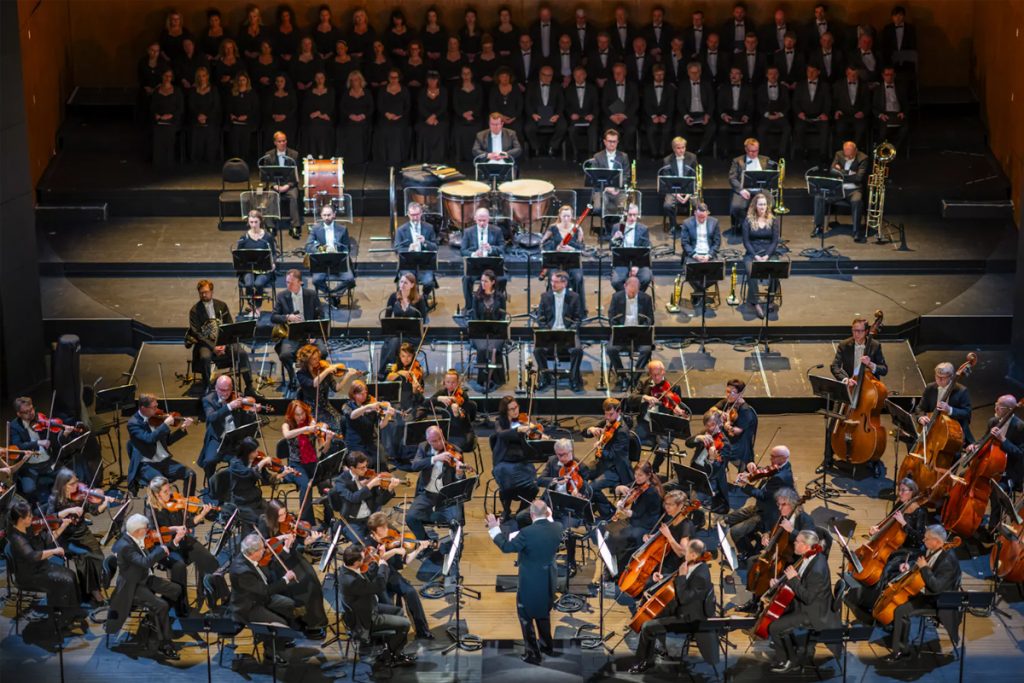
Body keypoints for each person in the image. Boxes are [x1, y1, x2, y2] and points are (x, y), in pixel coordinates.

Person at [486, 500, 563, 665]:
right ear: (548, 513)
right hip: (549, 579)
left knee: (526, 617)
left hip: (530, 580)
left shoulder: (527, 533)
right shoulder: (558, 527)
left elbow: (507, 547)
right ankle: (546, 646)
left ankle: (533, 654)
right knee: (543, 614)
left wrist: (494, 528)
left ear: (532, 515)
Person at [629, 539, 718, 674]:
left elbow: (683, 599)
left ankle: (645, 661)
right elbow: (677, 582)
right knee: (651, 612)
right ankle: (657, 649)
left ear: (694, 554)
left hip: (688, 619)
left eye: (687, 551)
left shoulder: (701, 575)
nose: (684, 553)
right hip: (684, 608)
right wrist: (662, 578)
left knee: (647, 626)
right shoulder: (695, 564)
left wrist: (682, 577)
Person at [105, 514, 181, 660]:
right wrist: (162, 549)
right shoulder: (126, 546)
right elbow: (145, 562)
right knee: (162, 606)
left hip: (144, 578)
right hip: (132, 586)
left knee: (175, 590)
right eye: (146, 529)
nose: (148, 532)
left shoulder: (134, 538)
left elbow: (150, 556)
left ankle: (155, 618)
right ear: (138, 531)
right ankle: (164, 644)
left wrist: (174, 542)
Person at [885, 524, 961, 662]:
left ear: (937, 541)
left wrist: (924, 568)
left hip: (937, 600)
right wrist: (910, 567)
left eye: (926, 539)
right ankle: (897, 633)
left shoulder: (948, 562)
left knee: (901, 610)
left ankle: (902, 652)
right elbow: (922, 562)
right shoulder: (933, 549)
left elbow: (936, 587)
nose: (923, 541)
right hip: (925, 590)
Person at [823, 315, 889, 472]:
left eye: (860, 331)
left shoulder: (874, 346)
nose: (856, 334)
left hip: (867, 391)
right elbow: (835, 367)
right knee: (834, 424)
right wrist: (846, 380)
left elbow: (884, 369)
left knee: (870, 422)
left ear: (867, 331)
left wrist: (871, 364)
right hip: (849, 389)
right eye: (854, 331)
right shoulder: (844, 345)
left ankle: (872, 459)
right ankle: (827, 460)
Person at [144, 476, 217, 614]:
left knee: (208, 558)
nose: (169, 494)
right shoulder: (151, 509)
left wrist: (203, 513)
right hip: (166, 546)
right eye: (165, 492)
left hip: (182, 539)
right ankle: (181, 607)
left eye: (169, 489)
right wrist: (175, 531)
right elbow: (154, 534)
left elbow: (188, 523)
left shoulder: (175, 502)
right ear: (156, 494)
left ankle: (212, 593)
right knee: (179, 567)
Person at [258, 499, 328, 638]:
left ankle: (315, 622)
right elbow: (264, 546)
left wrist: (308, 541)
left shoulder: (290, 522)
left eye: (285, 513)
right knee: (300, 586)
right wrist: (284, 541)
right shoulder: (264, 522)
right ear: (272, 516)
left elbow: (301, 543)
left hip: (291, 555)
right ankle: (300, 621)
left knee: (312, 581)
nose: (284, 518)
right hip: (276, 562)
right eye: (280, 516)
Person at [5, 496, 80, 625]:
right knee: (65, 580)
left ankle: (67, 611)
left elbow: (48, 540)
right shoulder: (17, 538)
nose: (32, 518)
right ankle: (59, 618)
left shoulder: (29, 528)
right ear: (20, 520)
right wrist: (54, 551)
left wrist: (63, 526)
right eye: (29, 516)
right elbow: (32, 556)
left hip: (40, 566)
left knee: (71, 575)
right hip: (29, 574)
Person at [766, 530, 834, 673]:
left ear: (806, 545)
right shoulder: (809, 556)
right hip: (806, 604)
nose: (794, 543)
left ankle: (789, 661)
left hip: (813, 613)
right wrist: (779, 583)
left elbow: (808, 597)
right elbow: (800, 582)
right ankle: (790, 653)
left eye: (797, 541)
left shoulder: (817, 568)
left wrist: (793, 579)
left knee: (774, 627)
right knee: (776, 615)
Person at [229, 533, 301, 665]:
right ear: (254, 553)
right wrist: (285, 580)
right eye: (262, 548)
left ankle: (281, 639)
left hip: (258, 597)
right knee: (280, 624)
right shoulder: (242, 571)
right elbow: (265, 591)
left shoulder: (248, 557)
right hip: (248, 607)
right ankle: (270, 653)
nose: (265, 550)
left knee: (289, 604)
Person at [339, 544, 416, 666]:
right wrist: (383, 565)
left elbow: (368, 576)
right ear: (355, 562)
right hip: (366, 619)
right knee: (405, 624)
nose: (366, 560)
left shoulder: (347, 569)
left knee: (398, 611)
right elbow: (379, 586)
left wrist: (377, 559)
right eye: (363, 559)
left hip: (368, 607)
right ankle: (390, 656)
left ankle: (390, 648)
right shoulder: (351, 581)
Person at [45, 468, 114, 604]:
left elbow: (95, 511)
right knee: (85, 556)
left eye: (76, 482)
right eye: (72, 483)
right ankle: (93, 592)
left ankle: (94, 586)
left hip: (82, 532)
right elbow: (50, 520)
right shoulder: (55, 500)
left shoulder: (79, 495)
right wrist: (69, 510)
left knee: (98, 555)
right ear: (63, 485)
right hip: (66, 537)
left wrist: (105, 502)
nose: (76, 486)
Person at [366, 511, 434, 639]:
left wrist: (419, 549)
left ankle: (422, 630)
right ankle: (393, 637)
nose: (387, 531)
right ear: (374, 532)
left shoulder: (392, 535)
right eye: (383, 529)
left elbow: (406, 560)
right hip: (376, 580)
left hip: (391, 574)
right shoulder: (368, 544)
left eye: (386, 527)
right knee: (387, 603)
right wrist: (395, 551)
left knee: (411, 592)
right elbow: (378, 558)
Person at [186, 279, 259, 396]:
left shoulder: (221, 305)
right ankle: (207, 387)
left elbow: (229, 325)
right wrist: (213, 347)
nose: (204, 295)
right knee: (205, 357)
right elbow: (197, 333)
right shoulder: (194, 310)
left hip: (225, 340)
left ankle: (249, 387)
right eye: (201, 293)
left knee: (242, 354)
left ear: (211, 291)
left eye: (206, 292)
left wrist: (224, 344)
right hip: (206, 343)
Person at [727, 451, 798, 558]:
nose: (770, 459)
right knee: (730, 518)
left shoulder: (781, 477)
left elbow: (763, 496)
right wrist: (753, 468)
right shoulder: (780, 466)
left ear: (782, 458)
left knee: (735, 531)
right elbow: (765, 472)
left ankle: (748, 554)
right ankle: (749, 537)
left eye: (773, 457)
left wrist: (745, 485)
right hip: (760, 507)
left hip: (767, 514)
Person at [281, 399, 339, 525]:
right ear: (291, 415)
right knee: (306, 486)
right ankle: (308, 522)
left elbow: (323, 449)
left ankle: (329, 519)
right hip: (296, 465)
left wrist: (327, 439)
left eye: (302, 413)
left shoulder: (312, 422)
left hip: (313, 463)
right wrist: (305, 428)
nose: (301, 417)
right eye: (297, 414)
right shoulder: (287, 425)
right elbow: (287, 435)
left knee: (326, 484)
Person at [405, 425, 468, 540]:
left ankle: (454, 548)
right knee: (410, 518)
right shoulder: (423, 447)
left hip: (447, 496)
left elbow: (461, 481)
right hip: (427, 493)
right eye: (434, 441)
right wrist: (435, 458)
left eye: (441, 438)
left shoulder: (455, 451)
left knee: (457, 521)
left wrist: (459, 474)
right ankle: (425, 543)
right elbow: (415, 466)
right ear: (428, 441)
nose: (439, 443)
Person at [9, 396, 75, 507]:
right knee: (29, 489)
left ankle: (64, 505)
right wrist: (37, 443)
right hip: (29, 466)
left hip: (48, 462)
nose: (30, 414)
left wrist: (64, 434)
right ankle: (39, 511)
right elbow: (17, 446)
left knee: (69, 476)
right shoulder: (14, 426)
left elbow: (55, 441)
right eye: (26, 412)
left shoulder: (41, 419)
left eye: (31, 409)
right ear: (19, 414)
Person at [198, 375, 262, 485]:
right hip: (217, 438)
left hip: (235, 439)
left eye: (228, 390)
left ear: (232, 388)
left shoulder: (238, 397)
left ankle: (238, 487)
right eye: (222, 390)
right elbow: (211, 417)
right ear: (216, 388)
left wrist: (252, 412)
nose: (225, 393)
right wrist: (228, 407)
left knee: (242, 460)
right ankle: (212, 486)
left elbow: (245, 420)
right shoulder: (208, 400)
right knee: (209, 461)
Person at [127, 393, 196, 494]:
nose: (157, 410)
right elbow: (149, 439)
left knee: (190, 474)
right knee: (162, 485)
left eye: (157, 406)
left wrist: (182, 428)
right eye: (153, 407)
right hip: (146, 464)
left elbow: (168, 441)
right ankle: (160, 508)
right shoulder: (134, 424)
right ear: (143, 408)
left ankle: (188, 505)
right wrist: (165, 425)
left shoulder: (156, 419)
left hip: (163, 461)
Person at [271, 268, 328, 388]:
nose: (288, 285)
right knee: (285, 355)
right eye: (287, 282)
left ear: (300, 282)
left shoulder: (311, 294)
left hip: (310, 334)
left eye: (290, 282)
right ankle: (295, 375)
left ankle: (314, 375)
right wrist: (287, 317)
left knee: (322, 351)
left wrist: (314, 336)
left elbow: (321, 316)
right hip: (292, 335)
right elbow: (273, 317)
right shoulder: (282, 296)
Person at [978, 395, 1024, 541]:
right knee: (972, 479)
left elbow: (1020, 454)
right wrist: (976, 445)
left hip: (1010, 471)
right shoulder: (993, 421)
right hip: (992, 465)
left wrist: (1003, 440)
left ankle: (993, 529)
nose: (996, 408)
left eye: (1000, 406)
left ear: (1010, 410)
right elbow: (984, 440)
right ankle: (974, 519)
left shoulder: (1020, 427)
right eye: (996, 404)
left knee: (997, 493)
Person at [605, 462, 665, 570]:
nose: (637, 477)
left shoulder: (651, 492)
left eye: (640, 475)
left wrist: (627, 512)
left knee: (618, 536)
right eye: (635, 474)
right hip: (635, 519)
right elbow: (624, 488)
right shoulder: (638, 484)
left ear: (648, 475)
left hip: (646, 525)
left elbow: (639, 514)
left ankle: (620, 566)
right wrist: (619, 488)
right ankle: (611, 561)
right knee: (609, 530)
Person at [490, 396, 541, 521]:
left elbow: (535, 433)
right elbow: (501, 434)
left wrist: (535, 431)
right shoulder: (499, 422)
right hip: (504, 462)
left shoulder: (524, 420)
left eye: (516, 407)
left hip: (522, 461)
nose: (515, 411)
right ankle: (506, 510)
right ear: (505, 411)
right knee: (506, 485)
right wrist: (517, 430)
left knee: (534, 486)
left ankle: (522, 510)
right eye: (511, 409)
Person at [628, 360, 691, 462]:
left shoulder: (673, 387)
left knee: (663, 446)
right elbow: (631, 399)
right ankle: (634, 471)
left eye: (658, 374)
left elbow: (677, 406)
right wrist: (645, 397)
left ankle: (654, 469)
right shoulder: (644, 383)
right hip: (645, 422)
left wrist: (678, 411)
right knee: (630, 439)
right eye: (653, 375)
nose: (655, 378)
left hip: (663, 425)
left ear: (663, 372)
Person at [329, 451, 399, 542]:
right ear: (352, 468)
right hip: (352, 521)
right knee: (363, 545)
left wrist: (390, 489)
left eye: (366, 466)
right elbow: (353, 498)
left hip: (371, 518)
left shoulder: (368, 476)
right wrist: (369, 485)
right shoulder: (341, 481)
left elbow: (380, 501)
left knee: (395, 537)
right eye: (361, 468)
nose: (366, 470)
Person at [533, 270, 584, 391]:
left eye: (556, 282)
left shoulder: (574, 297)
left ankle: (573, 378)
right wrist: (547, 331)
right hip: (550, 333)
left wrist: (570, 331)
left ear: (564, 283)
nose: (553, 284)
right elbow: (540, 318)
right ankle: (545, 376)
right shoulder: (545, 297)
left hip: (567, 333)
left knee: (577, 350)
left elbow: (577, 319)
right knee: (537, 350)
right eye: (552, 281)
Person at [228, 436, 293, 528]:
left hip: (255, 498)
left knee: (274, 514)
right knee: (262, 521)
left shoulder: (255, 462)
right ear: (247, 452)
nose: (257, 453)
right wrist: (262, 463)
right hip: (242, 501)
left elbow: (268, 479)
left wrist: (283, 473)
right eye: (254, 451)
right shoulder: (235, 464)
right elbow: (249, 473)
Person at [586, 398, 634, 520]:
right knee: (580, 474)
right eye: (605, 414)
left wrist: (600, 448)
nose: (607, 417)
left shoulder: (622, 431)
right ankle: (590, 506)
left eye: (610, 414)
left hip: (615, 468)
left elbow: (613, 455)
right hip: (602, 463)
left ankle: (609, 512)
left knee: (592, 488)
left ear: (619, 411)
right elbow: (584, 433)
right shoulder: (608, 421)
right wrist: (591, 429)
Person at [813, 140, 869, 240]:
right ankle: (818, 227)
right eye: (845, 153)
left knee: (857, 201)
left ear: (855, 151)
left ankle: (856, 231)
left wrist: (841, 172)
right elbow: (832, 171)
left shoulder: (863, 158)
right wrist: (850, 172)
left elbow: (858, 178)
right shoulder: (839, 154)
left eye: (850, 154)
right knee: (819, 197)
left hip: (853, 190)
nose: (847, 156)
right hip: (838, 189)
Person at [607, 276, 654, 390]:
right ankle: (622, 376)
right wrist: (617, 327)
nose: (632, 293)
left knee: (646, 350)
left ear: (639, 288)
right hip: (622, 333)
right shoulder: (616, 297)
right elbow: (611, 317)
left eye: (635, 290)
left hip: (639, 334)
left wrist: (644, 328)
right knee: (611, 350)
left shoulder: (646, 298)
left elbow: (650, 319)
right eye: (630, 289)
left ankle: (635, 378)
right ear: (625, 286)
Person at [741, 192, 781, 318]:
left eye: (764, 204)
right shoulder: (748, 220)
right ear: (755, 206)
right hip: (753, 252)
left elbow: (775, 241)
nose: (762, 207)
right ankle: (756, 302)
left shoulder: (773, 220)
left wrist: (767, 256)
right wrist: (755, 256)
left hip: (769, 252)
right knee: (750, 270)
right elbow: (746, 241)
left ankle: (770, 299)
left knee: (776, 269)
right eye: (760, 204)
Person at [379, 274, 429, 376]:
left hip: (413, 336)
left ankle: (387, 372)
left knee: (394, 344)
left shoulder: (419, 300)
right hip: (396, 333)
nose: (402, 285)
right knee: (393, 342)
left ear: (412, 285)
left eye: (405, 282)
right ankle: (391, 370)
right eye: (401, 282)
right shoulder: (393, 297)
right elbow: (387, 317)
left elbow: (423, 320)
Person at [295, 343, 350, 434]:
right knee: (336, 428)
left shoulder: (323, 369)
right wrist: (328, 370)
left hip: (325, 405)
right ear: (307, 361)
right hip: (311, 409)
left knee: (343, 424)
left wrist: (347, 376)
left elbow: (336, 388)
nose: (318, 361)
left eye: (318, 358)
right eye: (314, 359)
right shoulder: (301, 374)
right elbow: (314, 383)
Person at [540, 204, 586, 312]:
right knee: (554, 277)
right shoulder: (553, 228)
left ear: (572, 217)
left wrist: (571, 248)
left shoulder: (577, 229)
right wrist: (555, 247)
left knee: (578, 277)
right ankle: (552, 309)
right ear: (560, 216)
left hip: (572, 262)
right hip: (556, 262)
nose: (566, 219)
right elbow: (542, 244)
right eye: (564, 216)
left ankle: (577, 309)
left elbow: (582, 248)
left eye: (568, 216)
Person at [306, 204, 356, 304]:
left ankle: (332, 295)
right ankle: (332, 296)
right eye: (324, 215)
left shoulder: (342, 229)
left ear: (334, 214)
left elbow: (347, 248)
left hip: (338, 263)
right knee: (316, 280)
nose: (326, 218)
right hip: (322, 264)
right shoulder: (315, 229)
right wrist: (322, 249)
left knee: (350, 280)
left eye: (329, 215)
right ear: (321, 215)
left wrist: (337, 249)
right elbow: (308, 246)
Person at [686, 409, 733, 514]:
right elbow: (688, 443)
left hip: (709, 480)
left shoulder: (725, 444)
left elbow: (718, 470)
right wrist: (698, 437)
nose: (709, 428)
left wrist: (712, 459)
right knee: (669, 487)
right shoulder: (705, 433)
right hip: (694, 472)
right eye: (707, 425)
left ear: (720, 423)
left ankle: (698, 519)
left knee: (693, 503)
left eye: (712, 425)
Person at [468, 269, 508, 391]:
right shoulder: (477, 297)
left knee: (492, 349)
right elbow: (474, 315)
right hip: (479, 333)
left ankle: (488, 378)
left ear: (493, 282)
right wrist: (479, 328)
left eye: (486, 281)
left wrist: (496, 329)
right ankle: (485, 379)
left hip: (496, 333)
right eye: (482, 281)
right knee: (482, 349)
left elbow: (502, 316)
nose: (483, 283)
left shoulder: (500, 297)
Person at [915, 362, 974, 443]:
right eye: (937, 376)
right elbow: (920, 408)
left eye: (943, 378)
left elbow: (967, 413)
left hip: (953, 434)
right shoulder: (930, 388)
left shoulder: (962, 391)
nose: (939, 380)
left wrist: (949, 409)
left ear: (951, 377)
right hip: (932, 429)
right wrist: (921, 417)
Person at [342, 380, 398, 465]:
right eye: (361, 394)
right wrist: (367, 407)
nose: (365, 396)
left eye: (365, 393)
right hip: (356, 443)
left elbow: (380, 426)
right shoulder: (347, 406)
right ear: (354, 394)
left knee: (382, 461)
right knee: (366, 463)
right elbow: (352, 415)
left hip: (370, 441)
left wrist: (387, 416)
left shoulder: (372, 406)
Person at [460, 207, 505, 310]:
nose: (481, 223)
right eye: (479, 220)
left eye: (484, 220)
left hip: (492, 268)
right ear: (475, 219)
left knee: (502, 279)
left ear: (488, 219)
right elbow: (463, 250)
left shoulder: (497, 231)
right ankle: (470, 307)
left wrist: (491, 249)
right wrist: (474, 254)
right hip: (475, 267)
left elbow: (502, 248)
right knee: (466, 279)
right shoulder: (468, 232)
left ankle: (497, 305)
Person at [258, 131, 301, 237]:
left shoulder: (294, 155)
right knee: (270, 196)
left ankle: (295, 226)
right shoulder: (268, 155)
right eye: (280, 141)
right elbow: (266, 175)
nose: (282, 143)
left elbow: (295, 175)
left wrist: (287, 186)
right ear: (275, 143)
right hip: (274, 185)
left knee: (293, 196)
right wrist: (274, 185)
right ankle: (271, 226)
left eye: (284, 141)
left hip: (289, 185)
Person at [234, 209, 277, 315]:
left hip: (264, 270)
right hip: (249, 269)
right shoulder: (244, 238)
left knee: (258, 283)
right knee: (249, 284)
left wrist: (273, 263)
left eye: (256, 222)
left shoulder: (267, 237)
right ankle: (251, 306)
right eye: (251, 222)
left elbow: (274, 254)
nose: (253, 225)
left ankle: (258, 307)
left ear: (260, 222)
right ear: (248, 222)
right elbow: (239, 256)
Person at [425, 370, 479, 454]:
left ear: (458, 383)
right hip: (447, 430)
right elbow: (426, 403)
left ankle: (454, 465)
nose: (450, 384)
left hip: (463, 432)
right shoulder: (442, 393)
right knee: (434, 445)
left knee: (450, 447)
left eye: (453, 382)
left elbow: (463, 420)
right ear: (444, 383)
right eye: (448, 382)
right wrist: (439, 398)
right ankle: (443, 465)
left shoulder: (463, 396)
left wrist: (457, 413)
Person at [681, 202, 722, 311]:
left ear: (707, 213)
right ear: (695, 213)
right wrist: (695, 255)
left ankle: (698, 294)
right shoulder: (687, 223)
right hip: (694, 254)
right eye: (699, 217)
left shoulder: (714, 222)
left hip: (709, 254)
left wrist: (709, 255)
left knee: (717, 272)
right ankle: (702, 294)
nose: (701, 219)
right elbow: (685, 243)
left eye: (704, 217)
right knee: (690, 271)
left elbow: (717, 242)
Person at [728, 138, 774, 232]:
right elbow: (732, 178)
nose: (754, 153)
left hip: (761, 190)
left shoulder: (765, 160)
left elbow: (770, 177)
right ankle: (748, 225)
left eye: (756, 150)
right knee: (736, 207)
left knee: (771, 203)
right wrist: (741, 190)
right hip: (744, 190)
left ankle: (762, 225)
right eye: (751, 151)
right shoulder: (738, 161)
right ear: (746, 149)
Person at [394, 202, 438, 294]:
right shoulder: (401, 230)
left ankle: (424, 299)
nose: (415, 217)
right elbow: (397, 248)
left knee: (429, 282)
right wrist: (408, 249)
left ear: (421, 213)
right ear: (408, 214)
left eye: (417, 215)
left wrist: (425, 242)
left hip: (424, 266)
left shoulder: (429, 228)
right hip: (407, 265)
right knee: (406, 282)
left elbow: (435, 247)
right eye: (412, 215)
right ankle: (411, 299)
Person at [715, 378, 759, 468]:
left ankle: (718, 475)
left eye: (732, 393)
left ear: (741, 394)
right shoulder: (727, 402)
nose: (728, 395)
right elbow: (712, 410)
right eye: (727, 391)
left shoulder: (745, 411)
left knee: (717, 451)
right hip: (728, 438)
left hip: (739, 443)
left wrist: (726, 425)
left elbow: (737, 431)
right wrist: (720, 412)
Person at [524, 65, 566, 156]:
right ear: (539, 75)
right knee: (528, 128)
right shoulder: (531, 86)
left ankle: (553, 147)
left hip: (553, 115)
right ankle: (535, 148)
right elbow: (527, 103)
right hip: (536, 115)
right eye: (544, 75)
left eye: (549, 75)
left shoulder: (557, 86)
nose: (547, 78)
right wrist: (532, 114)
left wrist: (557, 115)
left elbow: (561, 103)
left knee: (563, 126)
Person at [610, 204, 653, 292]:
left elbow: (646, 250)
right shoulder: (617, 227)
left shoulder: (643, 229)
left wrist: (637, 266)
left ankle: (636, 296)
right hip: (622, 261)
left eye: (635, 215)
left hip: (639, 261)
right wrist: (614, 239)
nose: (632, 218)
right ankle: (626, 296)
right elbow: (612, 248)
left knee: (646, 278)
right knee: (616, 281)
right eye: (630, 215)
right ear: (625, 214)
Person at [676, 62, 715, 155]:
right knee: (679, 127)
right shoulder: (683, 85)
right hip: (689, 114)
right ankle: (687, 151)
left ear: (700, 72)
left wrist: (707, 115)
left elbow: (711, 102)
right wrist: (686, 116)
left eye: (696, 72)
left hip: (703, 114)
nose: (694, 75)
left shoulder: (707, 84)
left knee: (712, 127)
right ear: (688, 73)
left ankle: (701, 150)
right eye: (692, 73)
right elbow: (680, 103)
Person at [660, 136, 698, 234]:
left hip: (688, 188)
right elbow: (667, 180)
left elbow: (695, 177)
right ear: (673, 148)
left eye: (683, 147)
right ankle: (673, 225)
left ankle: (694, 226)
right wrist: (676, 194)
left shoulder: (692, 157)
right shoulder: (667, 160)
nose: (681, 150)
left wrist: (689, 194)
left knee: (698, 205)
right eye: (678, 148)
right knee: (668, 205)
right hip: (673, 189)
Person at [375, 68, 412, 164]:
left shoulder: (404, 90)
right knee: (385, 129)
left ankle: (397, 158)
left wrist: (400, 116)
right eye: (391, 77)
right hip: (386, 117)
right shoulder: (383, 90)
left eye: (395, 77)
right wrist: (387, 114)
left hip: (401, 118)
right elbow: (379, 105)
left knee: (398, 130)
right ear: (388, 78)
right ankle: (385, 158)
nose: (393, 79)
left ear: (399, 78)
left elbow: (407, 106)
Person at [716, 67, 755, 158]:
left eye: (736, 73)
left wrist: (746, 116)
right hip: (728, 115)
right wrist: (724, 115)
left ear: (741, 76)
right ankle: (725, 153)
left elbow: (751, 105)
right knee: (722, 128)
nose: (733, 75)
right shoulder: (723, 88)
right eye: (732, 73)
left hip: (742, 115)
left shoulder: (747, 89)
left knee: (748, 128)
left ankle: (744, 153)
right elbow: (719, 105)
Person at [186, 66, 222, 165]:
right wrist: (199, 116)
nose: (202, 78)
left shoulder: (213, 89)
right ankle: (195, 158)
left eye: (204, 76)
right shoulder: (193, 90)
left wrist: (206, 116)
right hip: (196, 118)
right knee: (194, 128)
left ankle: (210, 157)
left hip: (211, 118)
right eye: (199, 76)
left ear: (207, 76)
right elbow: (191, 106)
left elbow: (216, 106)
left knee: (211, 128)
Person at [338, 70, 374, 165]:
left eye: (356, 80)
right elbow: (342, 107)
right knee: (349, 129)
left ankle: (362, 159)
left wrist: (363, 116)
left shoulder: (367, 92)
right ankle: (350, 159)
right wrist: (350, 116)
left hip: (363, 119)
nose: (355, 82)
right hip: (349, 119)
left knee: (362, 129)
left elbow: (371, 107)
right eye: (352, 80)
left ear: (360, 80)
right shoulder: (346, 93)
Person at [601, 63, 639, 153]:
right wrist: (611, 116)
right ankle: (612, 152)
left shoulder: (632, 85)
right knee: (608, 130)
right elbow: (603, 103)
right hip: (612, 117)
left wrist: (625, 115)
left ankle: (622, 151)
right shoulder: (608, 85)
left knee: (631, 129)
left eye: (620, 73)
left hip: (627, 116)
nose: (617, 75)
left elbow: (636, 103)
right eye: (615, 73)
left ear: (625, 73)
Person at [150, 68, 184, 167]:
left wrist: (171, 115)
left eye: (169, 76)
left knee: (169, 130)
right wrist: (156, 115)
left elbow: (181, 108)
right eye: (166, 76)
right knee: (158, 129)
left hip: (173, 119)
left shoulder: (177, 91)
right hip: (160, 119)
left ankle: (168, 160)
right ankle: (158, 160)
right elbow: (152, 107)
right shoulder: (157, 91)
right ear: (162, 76)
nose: (167, 78)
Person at [756, 66, 792, 158]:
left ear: (778, 75)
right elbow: (758, 104)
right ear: (767, 75)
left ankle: (782, 154)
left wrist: (780, 114)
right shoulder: (761, 88)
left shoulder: (784, 88)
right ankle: (765, 154)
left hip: (780, 116)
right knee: (761, 129)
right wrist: (767, 115)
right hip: (766, 116)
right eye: (771, 73)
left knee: (787, 128)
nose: (773, 76)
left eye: (775, 73)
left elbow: (787, 104)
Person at [833, 66, 871, 153]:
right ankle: (843, 151)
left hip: (858, 115)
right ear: (846, 73)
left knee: (861, 128)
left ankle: (853, 150)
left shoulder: (864, 85)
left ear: (858, 74)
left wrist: (863, 112)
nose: (852, 77)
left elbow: (868, 103)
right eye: (850, 74)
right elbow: (834, 101)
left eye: (855, 74)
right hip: (843, 115)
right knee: (839, 128)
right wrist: (837, 110)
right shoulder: (838, 84)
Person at [564, 65, 599, 158]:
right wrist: (571, 114)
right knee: (572, 129)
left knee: (593, 129)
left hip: (589, 117)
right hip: (576, 117)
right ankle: (576, 152)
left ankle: (592, 154)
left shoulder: (592, 88)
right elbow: (566, 105)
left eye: (580, 75)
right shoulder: (569, 89)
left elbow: (597, 105)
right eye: (576, 75)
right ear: (573, 76)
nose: (578, 77)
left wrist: (593, 115)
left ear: (585, 75)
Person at [873, 66, 910, 152]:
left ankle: (893, 150)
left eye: (891, 74)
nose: (889, 77)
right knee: (883, 132)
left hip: (897, 114)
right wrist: (880, 115)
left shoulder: (901, 87)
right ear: (883, 75)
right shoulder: (878, 89)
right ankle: (882, 151)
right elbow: (874, 106)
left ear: (894, 75)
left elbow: (906, 104)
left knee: (904, 129)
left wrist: (903, 112)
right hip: (884, 114)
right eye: (887, 74)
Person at [452, 66, 484, 161]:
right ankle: (460, 156)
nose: (466, 76)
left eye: (468, 73)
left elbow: (480, 103)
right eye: (464, 73)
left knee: (477, 127)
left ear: (471, 74)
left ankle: (476, 155)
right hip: (460, 116)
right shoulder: (457, 88)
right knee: (459, 128)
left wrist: (472, 113)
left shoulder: (478, 87)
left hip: (475, 116)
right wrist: (463, 114)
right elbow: (455, 104)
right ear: (461, 75)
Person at [415, 71, 449, 160]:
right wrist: (429, 117)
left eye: (434, 79)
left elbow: (443, 106)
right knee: (424, 130)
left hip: (440, 118)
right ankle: (425, 157)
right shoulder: (422, 91)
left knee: (439, 130)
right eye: (430, 79)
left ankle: (438, 157)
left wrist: (434, 116)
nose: (432, 82)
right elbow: (420, 107)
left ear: (438, 80)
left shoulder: (443, 91)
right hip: (424, 118)